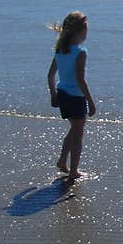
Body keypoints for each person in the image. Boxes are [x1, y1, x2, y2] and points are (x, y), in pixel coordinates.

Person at [47, 11, 96, 179]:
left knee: (75, 128)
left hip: (62, 94)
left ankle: (62, 161)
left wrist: (53, 95)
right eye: (85, 30)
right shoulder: (80, 52)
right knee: (78, 133)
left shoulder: (60, 51)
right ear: (79, 32)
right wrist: (91, 101)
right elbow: (81, 80)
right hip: (75, 97)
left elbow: (50, 75)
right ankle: (74, 171)